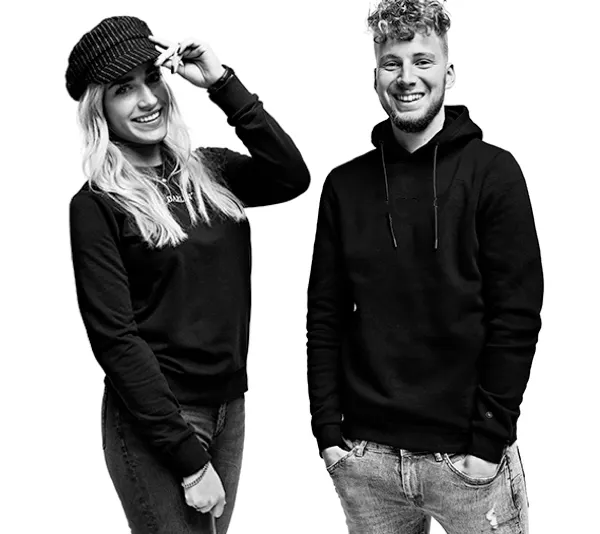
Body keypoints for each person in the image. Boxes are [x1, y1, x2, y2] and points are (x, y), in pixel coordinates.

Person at [306, 1, 542, 532]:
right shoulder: (345, 186)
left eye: (422, 61)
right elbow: (325, 315)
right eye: (391, 63)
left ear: (449, 73)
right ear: (375, 77)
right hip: (366, 458)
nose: (406, 77)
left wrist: (487, 443)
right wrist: (328, 434)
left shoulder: (494, 173)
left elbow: (517, 316)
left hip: (466, 460)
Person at [67, 15, 309, 534]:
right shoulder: (98, 205)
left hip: (228, 409)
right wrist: (189, 459)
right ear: (99, 109)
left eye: (152, 78)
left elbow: (291, 175)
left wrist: (222, 83)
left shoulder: (208, 171)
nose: (147, 99)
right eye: (123, 89)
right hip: (157, 419)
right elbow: (115, 339)